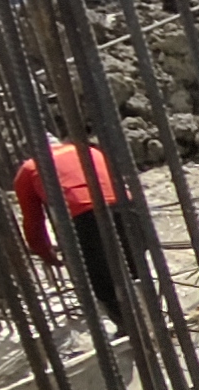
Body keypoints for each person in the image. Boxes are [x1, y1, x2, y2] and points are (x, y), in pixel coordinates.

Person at [12, 134, 141, 334]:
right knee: (135, 269)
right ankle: (150, 317)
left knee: (101, 279)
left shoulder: (29, 168)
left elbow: (33, 221)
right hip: (128, 208)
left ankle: (129, 329)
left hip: (86, 216)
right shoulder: (89, 150)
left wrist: (45, 253)